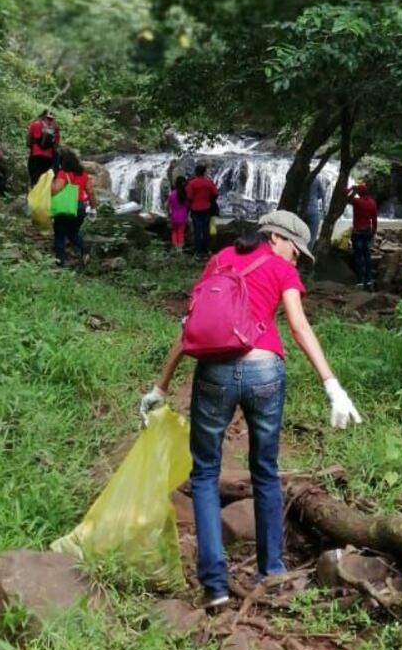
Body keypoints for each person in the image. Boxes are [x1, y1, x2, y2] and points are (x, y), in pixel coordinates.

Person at [139, 210, 361, 611]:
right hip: (264, 372)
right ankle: (271, 573)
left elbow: (192, 324)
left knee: (205, 475)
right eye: (296, 250)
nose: (297, 258)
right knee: (265, 471)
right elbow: (299, 327)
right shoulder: (280, 268)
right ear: (276, 238)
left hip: (214, 373)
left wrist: (160, 387)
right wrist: (332, 385)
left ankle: (214, 586)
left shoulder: (220, 259)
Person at [51, 147, 95, 267]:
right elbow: (90, 192)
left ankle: (60, 262)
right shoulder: (84, 175)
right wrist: (93, 208)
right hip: (80, 208)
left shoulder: (63, 174)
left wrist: (49, 183)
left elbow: (55, 190)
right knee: (73, 233)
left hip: (65, 208)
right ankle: (84, 249)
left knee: (59, 235)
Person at [345, 181, 379, 290]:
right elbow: (374, 220)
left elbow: (346, 198)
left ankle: (359, 281)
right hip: (368, 232)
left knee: (358, 256)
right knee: (367, 256)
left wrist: (352, 189)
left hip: (357, 232)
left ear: (359, 192)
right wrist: (373, 233)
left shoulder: (357, 202)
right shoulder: (372, 202)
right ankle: (369, 280)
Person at [184, 162, 219, 258]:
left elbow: (189, 196)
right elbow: (216, 194)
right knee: (206, 230)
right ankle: (206, 250)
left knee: (197, 231)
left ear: (196, 172)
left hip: (195, 209)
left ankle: (198, 252)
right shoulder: (209, 182)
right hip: (207, 209)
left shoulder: (192, 183)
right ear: (204, 172)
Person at [27, 110, 61, 193]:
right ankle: (44, 194)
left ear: (42, 116)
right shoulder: (55, 128)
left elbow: (29, 139)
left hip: (36, 154)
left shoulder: (35, 124)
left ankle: (33, 193)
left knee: (34, 176)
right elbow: (56, 143)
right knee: (45, 178)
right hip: (48, 157)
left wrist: (31, 147)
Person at [168, 175, 190, 252]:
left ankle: (175, 247)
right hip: (183, 217)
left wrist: (169, 215)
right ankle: (180, 249)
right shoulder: (185, 194)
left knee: (174, 232)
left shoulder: (172, 194)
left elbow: (168, 206)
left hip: (173, 217)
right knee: (181, 233)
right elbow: (188, 205)